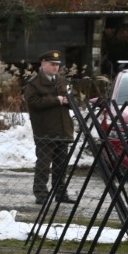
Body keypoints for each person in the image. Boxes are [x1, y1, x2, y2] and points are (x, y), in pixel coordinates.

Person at [24, 50, 76, 206]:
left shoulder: (63, 81)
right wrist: (57, 100)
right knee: (43, 165)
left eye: (57, 65)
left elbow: (75, 99)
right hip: (45, 130)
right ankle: (41, 194)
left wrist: (70, 100)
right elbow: (33, 102)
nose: (55, 68)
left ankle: (61, 193)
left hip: (63, 129)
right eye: (52, 64)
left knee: (61, 166)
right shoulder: (34, 83)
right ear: (43, 64)